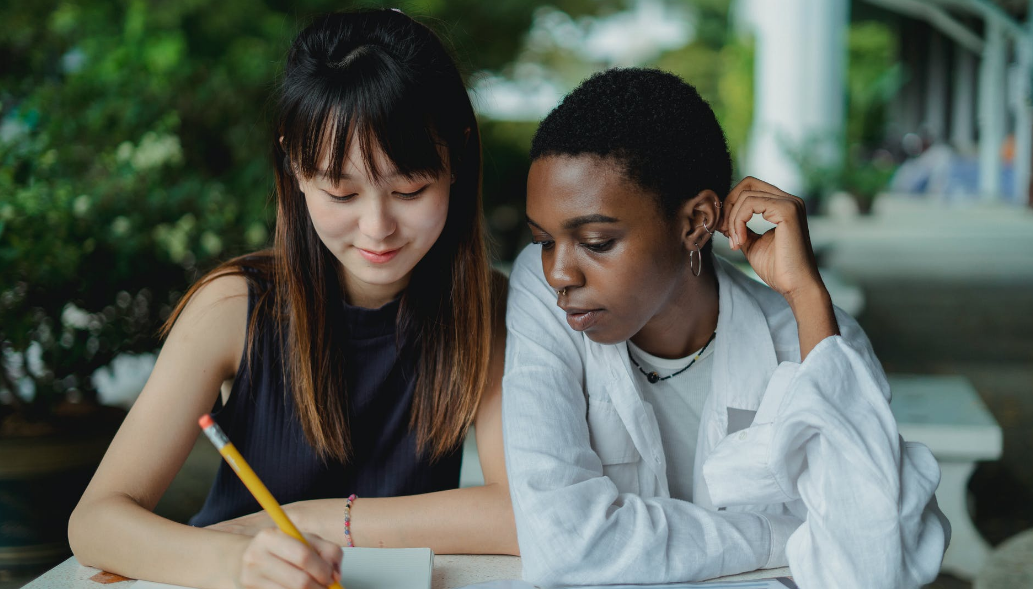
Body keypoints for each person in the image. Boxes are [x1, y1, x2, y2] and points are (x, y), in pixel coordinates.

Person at [69, 9, 516, 589]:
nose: (378, 227)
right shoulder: (235, 306)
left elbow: (519, 514)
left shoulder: (487, 309)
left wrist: (311, 520)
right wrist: (240, 562)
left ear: (457, 160)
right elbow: (95, 524)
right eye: (341, 190)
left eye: (410, 189)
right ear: (294, 166)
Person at [502, 68, 950, 588]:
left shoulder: (811, 339)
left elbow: (874, 567)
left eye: (597, 241)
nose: (559, 272)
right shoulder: (542, 298)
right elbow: (564, 547)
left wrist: (807, 294)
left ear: (695, 223)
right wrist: (783, 536)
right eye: (543, 241)